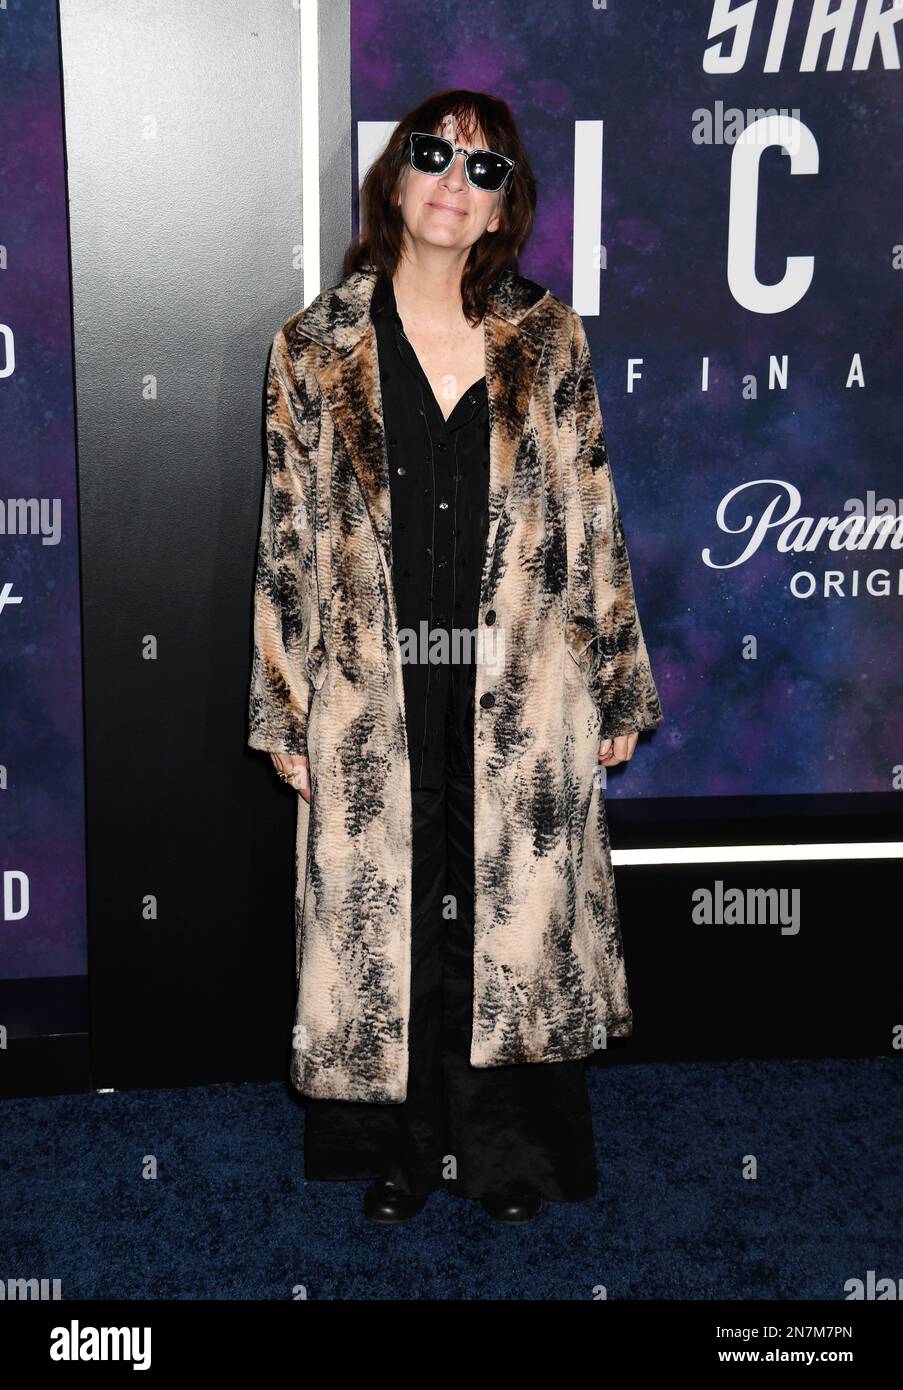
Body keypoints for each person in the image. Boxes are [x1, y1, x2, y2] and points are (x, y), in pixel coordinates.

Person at [247, 89, 664, 1226]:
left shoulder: (551, 337)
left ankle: (508, 1157)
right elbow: (285, 537)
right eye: (432, 154)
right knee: (387, 901)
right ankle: (399, 1151)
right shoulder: (314, 345)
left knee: (507, 901)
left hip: (524, 675)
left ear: (501, 210)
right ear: (396, 179)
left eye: (482, 170)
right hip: (372, 677)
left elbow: (594, 512)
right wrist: (286, 709)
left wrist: (617, 679)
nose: (451, 181)